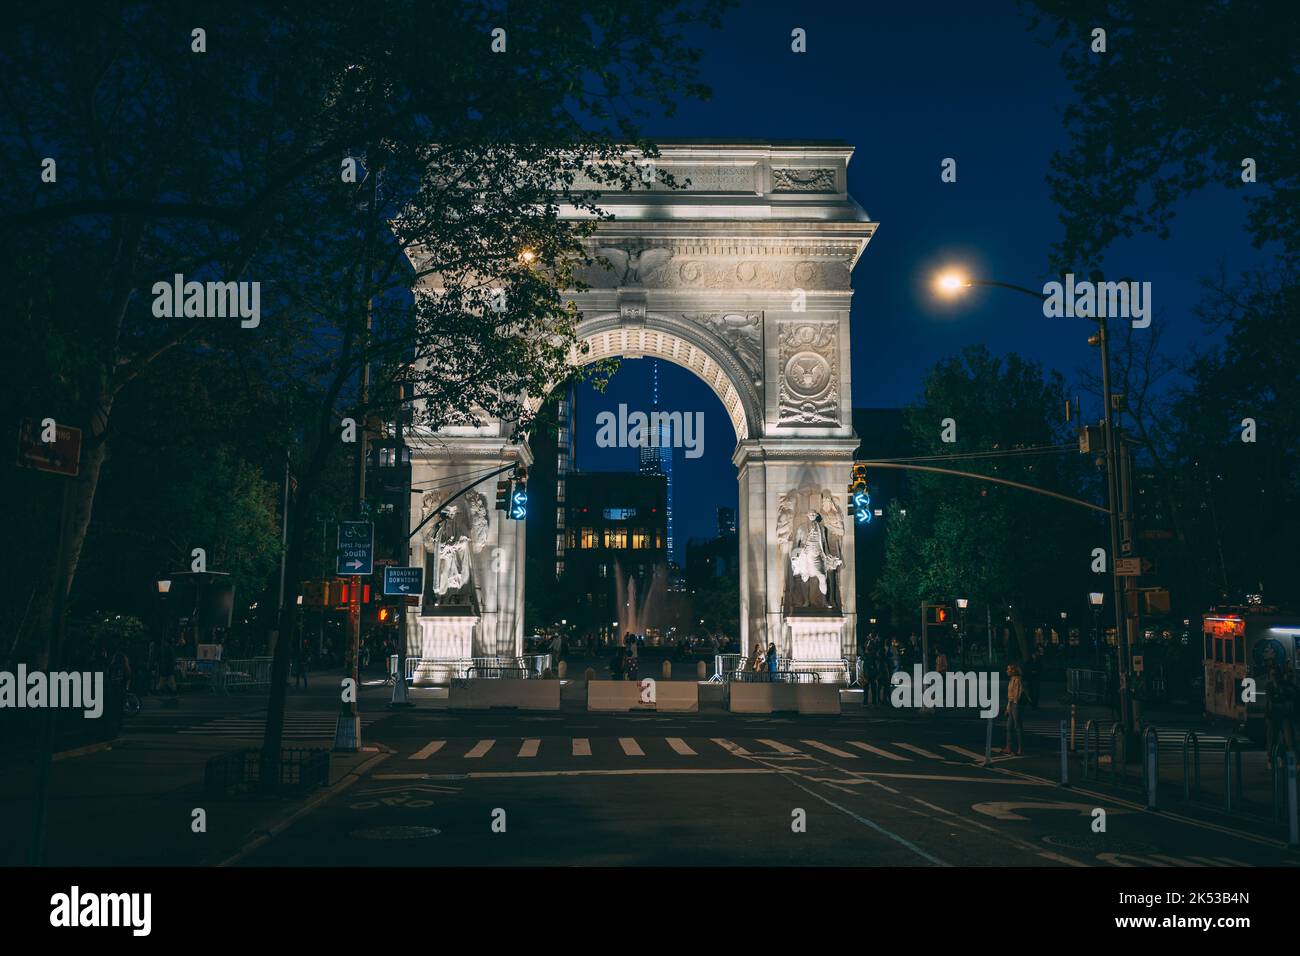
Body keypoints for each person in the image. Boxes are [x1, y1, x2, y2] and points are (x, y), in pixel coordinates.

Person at [1003, 663, 1026, 755]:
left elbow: (1016, 696)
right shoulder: (1012, 680)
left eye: (1008, 669)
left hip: (1016, 705)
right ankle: (1009, 747)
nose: (1007, 671)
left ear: (1013, 670)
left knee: (1018, 726)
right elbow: (1010, 697)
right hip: (1012, 705)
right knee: (1009, 727)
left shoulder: (1017, 680)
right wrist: (1008, 708)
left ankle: (1021, 749)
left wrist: (1011, 707)